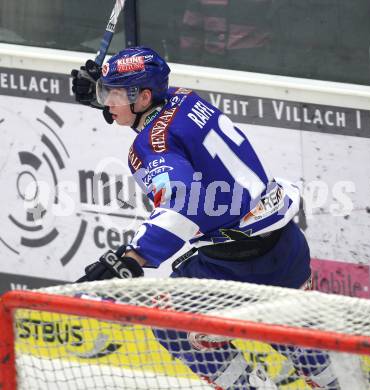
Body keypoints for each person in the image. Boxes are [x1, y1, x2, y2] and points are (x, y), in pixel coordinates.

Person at [71, 46, 340, 389]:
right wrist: (109, 95)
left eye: (114, 94)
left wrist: (133, 257)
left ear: (144, 96)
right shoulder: (185, 98)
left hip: (233, 269)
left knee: (171, 324)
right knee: (313, 355)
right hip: (287, 248)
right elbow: (161, 122)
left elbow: (180, 200)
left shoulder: (150, 146)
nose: (107, 101)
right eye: (104, 92)